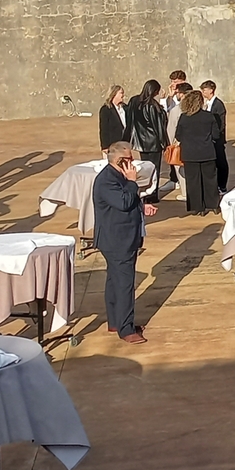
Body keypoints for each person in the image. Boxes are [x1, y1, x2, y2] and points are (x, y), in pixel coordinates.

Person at [92, 142, 157, 343]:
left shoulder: (115, 176)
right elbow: (123, 201)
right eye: (130, 160)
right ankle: (126, 329)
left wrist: (141, 207)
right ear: (120, 161)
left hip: (119, 237)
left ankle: (115, 321)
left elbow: (126, 201)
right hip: (117, 240)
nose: (133, 165)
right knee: (124, 284)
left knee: (114, 281)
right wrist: (132, 182)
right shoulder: (107, 180)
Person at [175, 90, 220, 215]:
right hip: (207, 152)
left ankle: (197, 207)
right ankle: (213, 205)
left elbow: (178, 136)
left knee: (193, 181)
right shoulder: (208, 116)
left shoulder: (184, 117)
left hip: (189, 154)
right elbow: (216, 135)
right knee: (210, 179)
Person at [125, 80, 168, 204]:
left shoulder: (134, 101)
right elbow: (158, 125)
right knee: (154, 168)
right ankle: (153, 194)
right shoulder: (152, 105)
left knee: (145, 168)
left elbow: (130, 121)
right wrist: (164, 143)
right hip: (154, 143)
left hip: (141, 142)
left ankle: (145, 192)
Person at [200, 80, 229, 193]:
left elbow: (220, 124)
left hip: (217, 139)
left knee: (221, 162)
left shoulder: (218, 105)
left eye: (204, 90)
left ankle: (222, 186)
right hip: (210, 139)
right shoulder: (207, 104)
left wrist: (215, 135)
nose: (203, 92)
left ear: (211, 90)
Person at [165, 82, 193, 201]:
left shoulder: (176, 110)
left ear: (181, 94)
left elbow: (171, 129)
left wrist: (171, 144)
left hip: (180, 143)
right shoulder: (199, 107)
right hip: (195, 143)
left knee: (180, 169)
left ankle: (186, 193)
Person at [98, 85, 129, 154]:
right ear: (114, 94)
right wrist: (105, 146)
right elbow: (104, 129)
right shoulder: (106, 109)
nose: (123, 95)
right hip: (112, 145)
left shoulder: (125, 108)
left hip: (124, 144)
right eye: (121, 93)